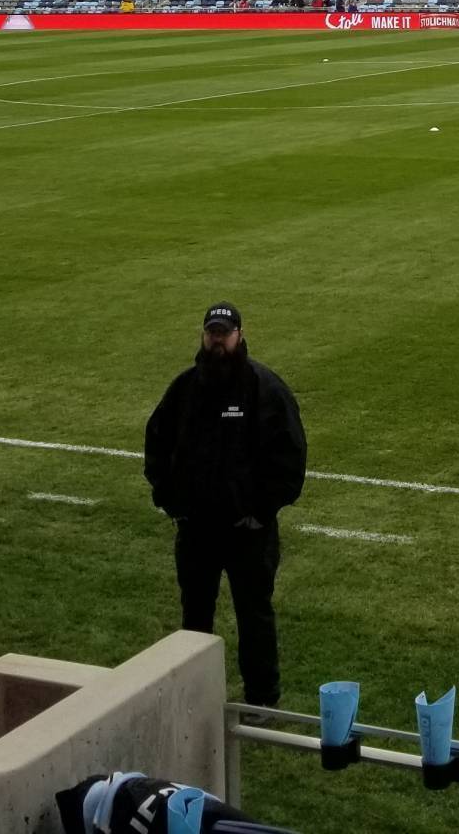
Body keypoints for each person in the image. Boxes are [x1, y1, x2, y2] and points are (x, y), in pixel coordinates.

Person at [143, 303, 307, 707]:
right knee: (194, 617)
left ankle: (262, 701)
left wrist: (261, 511)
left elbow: (290, 459)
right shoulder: (184, 389)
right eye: (212, 332)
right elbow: (157, 446)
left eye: (225, 332)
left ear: (239, 334)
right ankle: (195, 696)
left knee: (254, 617)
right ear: (203, 335)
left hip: (247, 533)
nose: (218, 340)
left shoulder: (264, 388)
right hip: (196, 529)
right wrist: (170, 501)